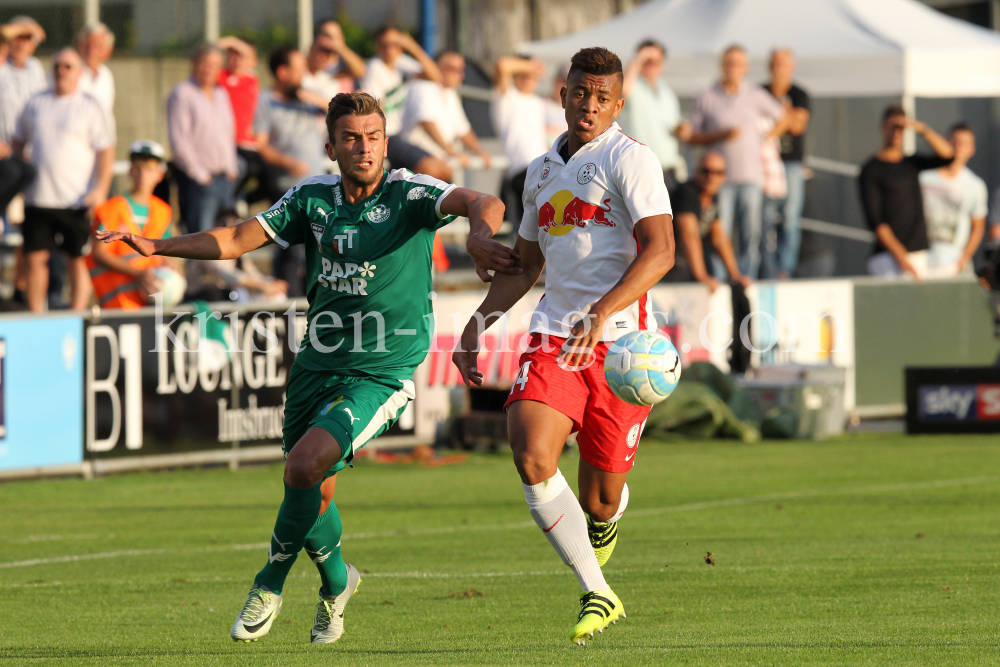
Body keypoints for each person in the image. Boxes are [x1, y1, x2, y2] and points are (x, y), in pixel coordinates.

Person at [95, 91, 518, 645]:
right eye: (351, 138)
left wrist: (480, 236)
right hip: (316, 364)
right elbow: (235, 238)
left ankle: (267, 583)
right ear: (331, 146)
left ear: (386, 143)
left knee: (302, 467)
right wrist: (157, 246)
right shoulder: (311, 199)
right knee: (313, 493)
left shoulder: (410, 193)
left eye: (372, 137)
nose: (363, 148)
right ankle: (338, 584)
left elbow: (483, 200)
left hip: (382, 371)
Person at [453, 47, 675, 644]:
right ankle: (597, 592)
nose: (589, 106)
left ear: (619, 104)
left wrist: (603, 313)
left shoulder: (632, 160)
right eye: (581, 93)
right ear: (563, 94)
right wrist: (478, 325)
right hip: (554, 336)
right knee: (531, 455)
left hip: (622, 349)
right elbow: (526, 267)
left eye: (602, 98)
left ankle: (602, 524)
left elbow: (661, 250)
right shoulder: (540, 171)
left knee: (600, 501)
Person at [12, 48, 114, 312]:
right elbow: (17, 142)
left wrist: (101, 188)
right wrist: (16, 185)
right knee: (36, 259)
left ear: (78, 72)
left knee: (78, 259)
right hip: (39, 198)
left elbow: (106, 149)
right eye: (57, 65)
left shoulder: (89, 105)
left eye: (68, 66)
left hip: (76, 199)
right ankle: (37, 315)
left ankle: (76, 314)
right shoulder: (35, 103)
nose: (62, 71)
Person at [686, 45, 787, 279]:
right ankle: (721, 278)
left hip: (751, 176)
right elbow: (692, 136)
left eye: (738, 63)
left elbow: (783, 118)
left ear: (745, 68)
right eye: (729, 63)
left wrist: (768, 137)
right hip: (718, 180)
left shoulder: (755, 94)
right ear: (722, 66)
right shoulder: (707, 96)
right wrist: (720, 136)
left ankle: (746, 277)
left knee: (751, 233)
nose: (733, 68)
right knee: (720, 233)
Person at [858, 105, 953, 280]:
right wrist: (902, 258)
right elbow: (876, 221)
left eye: (900, 128)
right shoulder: (871, 169)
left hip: (918, 253)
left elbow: (947, 155)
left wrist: (920, 128)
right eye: (891, 127)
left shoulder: (911, 163)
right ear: (882, 127)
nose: (896, 133)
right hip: (888, 258)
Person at [88, 140, 183, 309]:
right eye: (138, 168)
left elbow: (166, 253)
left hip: (152, 302)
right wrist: (139, 274)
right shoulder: (111, 208)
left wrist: (170, 266)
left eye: (149, 169)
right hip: (118, 303)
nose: (143, 175)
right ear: (130, 171)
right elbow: (99, 254)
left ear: (159, 175)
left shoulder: (163, 212)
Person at [358, 26, 450, 180]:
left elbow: (436, 76)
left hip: (399, 135)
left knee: (441, 168)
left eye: (395, 44)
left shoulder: (401, 63)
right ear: (378, 46)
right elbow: (375, 109)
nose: (390, 49)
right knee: (432, 168)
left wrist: (412, 47)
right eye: (385, 45)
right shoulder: (375, 67)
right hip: (386, 135)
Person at [167, 43, 238, 233]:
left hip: (225, 177)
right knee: (200, 237)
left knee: (225, 236)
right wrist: (200, 175)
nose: (209, 70)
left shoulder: (221, 93)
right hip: (199, 181)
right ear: (194, 63)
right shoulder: (182, 94)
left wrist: (231, 166)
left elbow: (228, 132)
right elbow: (179, 140)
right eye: (205, 63)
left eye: (215, 65)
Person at [668, 152, 750, 291]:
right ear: (696, 172)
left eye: (718, 172)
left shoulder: (711, 196)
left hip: (683, 262)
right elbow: (689, 237)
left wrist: (735, 275)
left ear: (724, 177)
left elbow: (719, 238)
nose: (711, 177)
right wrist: (702, 276)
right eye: (706, 171)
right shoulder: (687, 193)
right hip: (671, 266)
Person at [761, 48, 810, 279]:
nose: (778, 69)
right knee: (765, 217)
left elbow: (798, 125)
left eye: (783, 64)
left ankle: (785, 267)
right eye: (775, 63)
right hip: (765, 163)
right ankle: (766, 266)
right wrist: (785, 116)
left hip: (790, 162)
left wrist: (775, 121)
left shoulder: (799, 93)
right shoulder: (759, 91)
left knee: (790, 216)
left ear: (792, 67)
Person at [398, 52, 492, 167]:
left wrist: (480, 151)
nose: (461, 75)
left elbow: (463, 130)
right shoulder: (422, 87)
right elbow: (427, 122)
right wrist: (451, 152)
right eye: (455, 70)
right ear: (438, 68)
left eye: (462, 70)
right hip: (415, 165)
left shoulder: (450, 93)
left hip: (436, 164)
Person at [918, 123, 987, 277]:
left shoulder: (975, 185)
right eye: (953, 141)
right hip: (922, 260)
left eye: (963, 144)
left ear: (972, 150)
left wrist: (962, 260)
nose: (957, 147)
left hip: (954, 264)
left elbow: (978, 226)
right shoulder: (923, 176)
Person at [620, 40, 685, 191]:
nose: (651, 65)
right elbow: (623, 91)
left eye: (656, 61)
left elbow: (674, 125)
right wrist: (638, 58)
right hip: (640, 170)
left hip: (668, 170)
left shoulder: (666, 91)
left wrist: (681, 130)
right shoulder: (633, 86)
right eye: (647, 61)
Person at [491, 56, 549, 226]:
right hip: (522, 169)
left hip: (544, 167)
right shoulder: (507, 97)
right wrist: (531, 66)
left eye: (531, 75)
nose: (528, 78)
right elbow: (502, 65)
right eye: (523, 74)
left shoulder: (539, 103)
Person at [184, 209, 287, 302]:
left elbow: (253, 275)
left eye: (237, 222)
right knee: (236, 293)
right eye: (225, 223)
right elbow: (231, 277)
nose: (232, 227)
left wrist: (272, 284)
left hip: (231, 295)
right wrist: (264, 286)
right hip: (204, 297)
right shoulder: (207, 249)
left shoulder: (240, 251)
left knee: (276, 294)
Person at [0, 17, 46, 218]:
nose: (20, 43)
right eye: (16, 37)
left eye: (26, 38)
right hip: (4, 151)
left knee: (23, 217)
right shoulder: (1, 66)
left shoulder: (35, 68)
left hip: (27, 154)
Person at [217, 36, 262, 208]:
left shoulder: (251, 79)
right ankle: (230, 203)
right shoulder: (220, 76)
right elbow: (208, 51)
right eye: (232, 55)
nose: (237, 60)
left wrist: (233, 41)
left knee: (258, 171)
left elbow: (250, 56)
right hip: (226, 140)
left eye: (240, 55)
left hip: (247, 142)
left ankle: (238, 199)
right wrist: (227, 42)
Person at [301, 21, 367, 102]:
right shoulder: (302, 69)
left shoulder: (333, 71)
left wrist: (340, 48)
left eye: (335, 37)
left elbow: (361, 71)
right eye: (326, 35)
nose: (323, 56)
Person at [76, 22, 115, 116]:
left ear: (108, 52)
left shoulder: (106, 75)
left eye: (97, 46)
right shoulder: (67, 69)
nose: (91, 51)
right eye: (87, 45)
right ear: (79, 46)